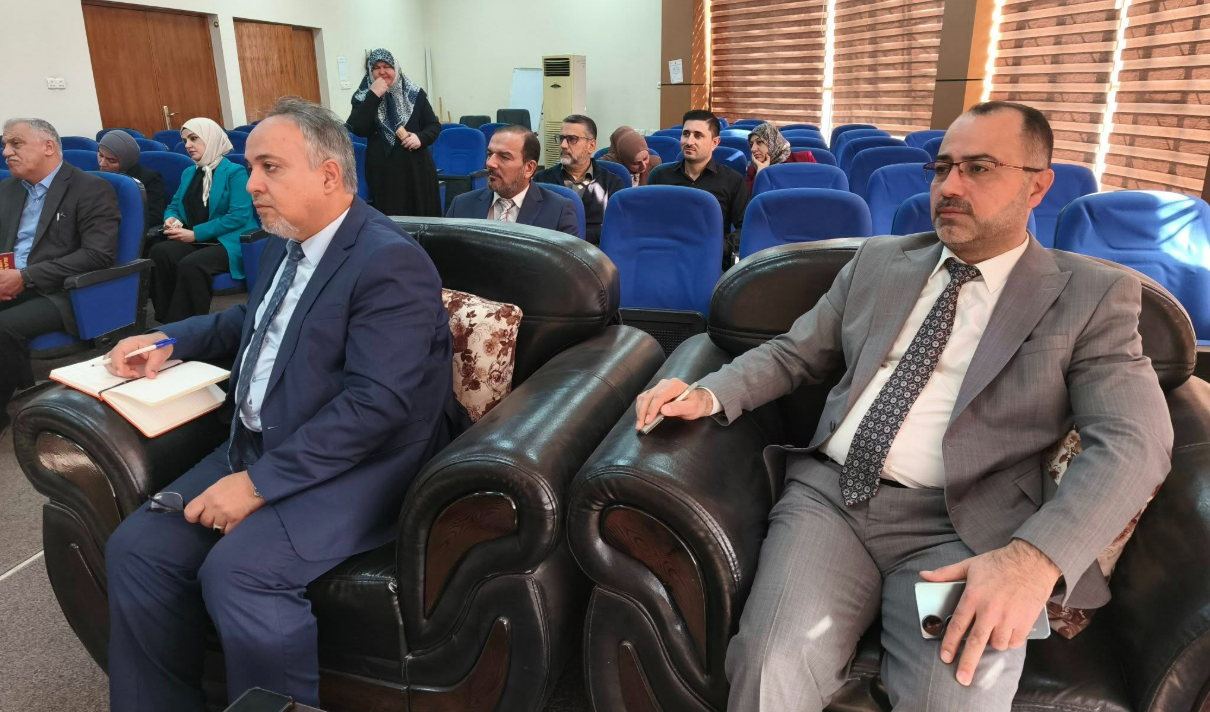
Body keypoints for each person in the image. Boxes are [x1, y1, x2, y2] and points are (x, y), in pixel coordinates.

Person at [634, 102, 1172, 712]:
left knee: (956, 701)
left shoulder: (1091, 295)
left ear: (1037, 186)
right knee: (769, 664)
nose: (951, 186)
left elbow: (1134, 439)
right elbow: (794, 353)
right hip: (830, 502)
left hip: (967, 530)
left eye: (978, 168)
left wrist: (1033, 560)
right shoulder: (879, 262)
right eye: (942, 168)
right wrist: (708, 392)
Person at [104, 97, 468, 711]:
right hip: (262, 440)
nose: (252, 183)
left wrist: (257, 485)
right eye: (251, 167)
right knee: (137, 551)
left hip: (363, 464)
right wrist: (169, 340)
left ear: (329, 175)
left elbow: (376, 406)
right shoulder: (283, 240)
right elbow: (257, 321)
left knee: (240, 574)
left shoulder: (389, 264)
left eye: (269, 167)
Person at [0, 118, 119, 432]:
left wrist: (25, 277)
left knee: (2, 328)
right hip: (11, 279)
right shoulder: (8, 189)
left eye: (15, 144)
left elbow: (97, 254)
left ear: (48, 147)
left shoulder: (90, 188)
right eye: (5, 145)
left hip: (63, 291)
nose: (6, 152)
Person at [151, 117, 258, 324]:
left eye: (194, 138)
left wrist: (195, 234)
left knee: (192, 265)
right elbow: (174, 205)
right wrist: (171, 218)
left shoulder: (234, 173)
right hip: (197, 238)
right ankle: (166, 322)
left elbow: (238, 216)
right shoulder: (189, 172)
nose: (188, 145)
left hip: (228, 241)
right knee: (160, 252)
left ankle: (190, 326)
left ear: (211, 139)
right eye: (185, 140)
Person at [347, 48, 442, 217]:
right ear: (370, 71)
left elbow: (433, 126)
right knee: (390, 223)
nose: (382, 72)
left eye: (387, 66)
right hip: (383, 174)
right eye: (376, 67)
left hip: (416, 170)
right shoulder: (363, 96)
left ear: (395, 69)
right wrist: (373, 95)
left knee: (422, 219)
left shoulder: (414, 94)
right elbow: (358, 128)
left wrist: (420, 138)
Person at [649, 109, 749, 264]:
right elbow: (646, 222)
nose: (689, 142)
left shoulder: (732, 181)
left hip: (711, 260)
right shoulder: (660, 176)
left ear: (715, 143)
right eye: (686, 134)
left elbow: (746, 228)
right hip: (666, 258)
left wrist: (719, 247)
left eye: (698, 135)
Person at [445, 125, 578, 236]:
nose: (490, 163)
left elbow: (567, 261)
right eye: (490, 154)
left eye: (504, 157)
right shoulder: (461, 205)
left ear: (529, 168)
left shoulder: (558, 212)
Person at [534, 114, 624, 244]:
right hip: (552, 250)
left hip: (594, 251)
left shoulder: (612, 184)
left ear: (591, 146)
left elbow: (616, 228)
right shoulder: (542, 180)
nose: (563, 145)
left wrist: (572, 234)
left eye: (572, 139)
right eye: (561, 138)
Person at [98, 129, 167, 231]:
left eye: (111, 160)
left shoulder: (149, 178)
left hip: (128, 231)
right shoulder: (95, 175)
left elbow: (154, 217)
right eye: (100, 155)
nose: (102, 163)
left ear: (126, 160)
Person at [745, 121, 817, 191]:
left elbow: (817, 187)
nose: (753, 149)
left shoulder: (805, 159)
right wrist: (760, 173)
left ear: (772, 142)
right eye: (751, 144)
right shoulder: (753, 171)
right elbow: (752, 197)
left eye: (759, 142)